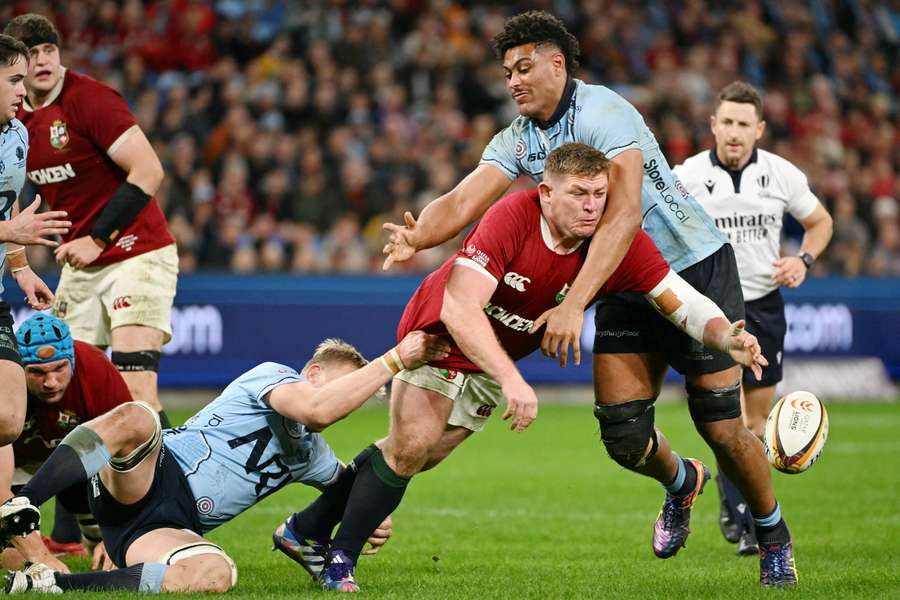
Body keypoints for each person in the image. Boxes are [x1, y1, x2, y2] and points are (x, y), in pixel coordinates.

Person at [381, 10, 797, 588]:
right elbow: (461, 200)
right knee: (624, 435)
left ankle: (774, 535)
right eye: (506, 73)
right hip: (623, 279)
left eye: (523, 67)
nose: (513, 82)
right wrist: (418, 236)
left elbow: (624, 216)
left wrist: (574, 303)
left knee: (723, 426)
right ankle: (682, 484)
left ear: (557, 63)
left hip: (695, 268)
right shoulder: (521, 136)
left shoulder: (604, 111)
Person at [300, 143, 766, 592]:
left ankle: (304, 527)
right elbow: (462, 308)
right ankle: (339, 560)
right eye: (578, 194)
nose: (591, 207)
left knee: (419, 453)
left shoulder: (615, 243)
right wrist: (512, 381)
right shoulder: (511, 218)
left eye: (599, 194)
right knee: (410, 446)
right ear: (546, 193)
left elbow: (680, 302)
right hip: (442, 337)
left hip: (493, 358)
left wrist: (727, 336)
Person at [0, 331, 448, 594]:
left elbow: (348, 487)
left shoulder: (313, 456)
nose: (346, 406)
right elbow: (317, 409)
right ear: (312, 374)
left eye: (356, 402)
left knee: (216, 574)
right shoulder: (275, 376)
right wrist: (394, 361)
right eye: (345, 389)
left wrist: (370, 517)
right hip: (150, 471)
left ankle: (54, 586)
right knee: (138, 417)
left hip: (158, 531)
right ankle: (22, 504)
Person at [673, 81, 833, 555]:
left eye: (745, 124)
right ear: (713, 125)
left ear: (759, 129)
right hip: (712, 308)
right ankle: (740, 513)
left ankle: (739, 508)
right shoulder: (686, 176)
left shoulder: (782, 174)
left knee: (755, 422)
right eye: (727, 122)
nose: (735, 132)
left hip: (763, 304)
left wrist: (802, 260)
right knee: (725, 417)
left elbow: (821, 222)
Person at [4, 14, 177, 428]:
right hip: (79, 265)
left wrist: (97, 239)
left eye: (50, 50)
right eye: (32, 53)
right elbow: (10, 197)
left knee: (133, 390)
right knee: (73, 393)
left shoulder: (90, 99)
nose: (43, 60)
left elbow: (150, 171)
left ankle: (178, 486)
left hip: (137, 250)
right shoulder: (14, 122)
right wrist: (22, 264)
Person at [1, 313, 135, 573]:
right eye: (37, 373)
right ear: (20, 369)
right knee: (13, 555)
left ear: (72, 360)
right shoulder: (5, 379)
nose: (50, 382)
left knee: (125, 548)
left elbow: (127, 453)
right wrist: (33, 554)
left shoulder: (95, 369)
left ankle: (93, 538)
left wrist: (121, 530)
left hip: (77, 462)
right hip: (14, 464)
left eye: (59, 368)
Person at [0, 33, 70, 447]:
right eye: (12, 80)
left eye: (24, 80)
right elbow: (10, 224)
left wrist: (21, 268)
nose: (23, 92)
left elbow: (8, 206)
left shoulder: (18, 137)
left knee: (9, 419)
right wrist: (11, 232)